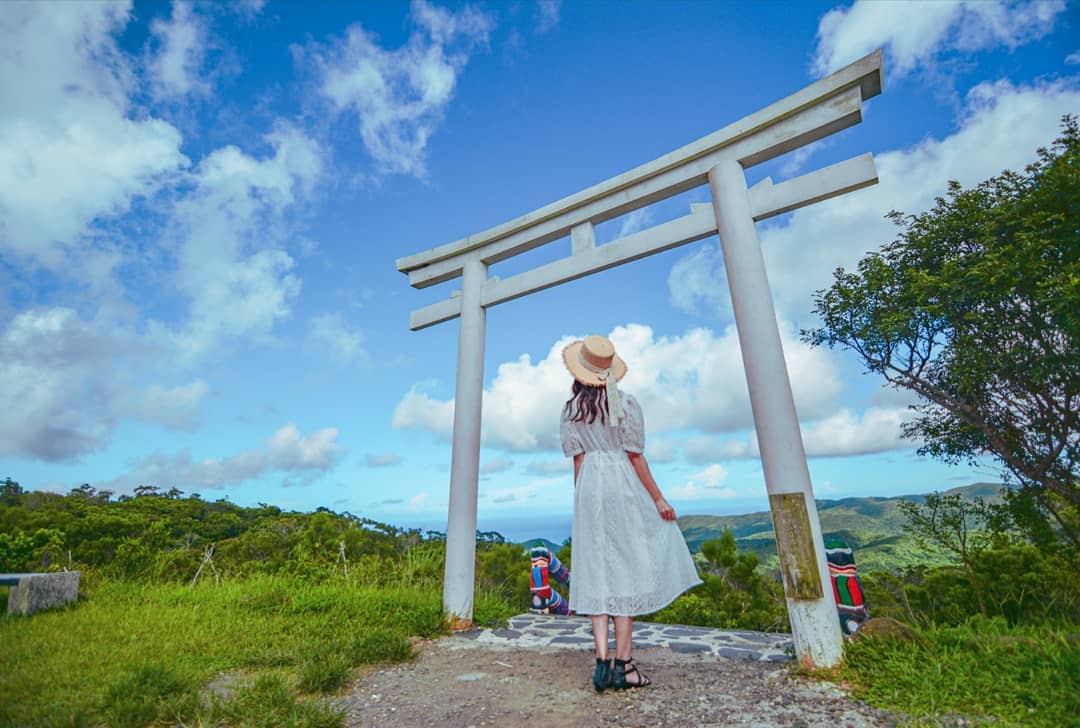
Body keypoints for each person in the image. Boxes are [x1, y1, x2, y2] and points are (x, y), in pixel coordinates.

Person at [559, 334, 702, 692]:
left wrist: (582, 502)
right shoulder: (627, 405)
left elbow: (578, 460)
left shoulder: (571, 410)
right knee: (626, 568)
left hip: (590, 487)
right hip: (622, 485)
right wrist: (658, 499)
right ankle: (625, 666)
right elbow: (635, 456)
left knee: (596, 570)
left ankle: (602, 663)